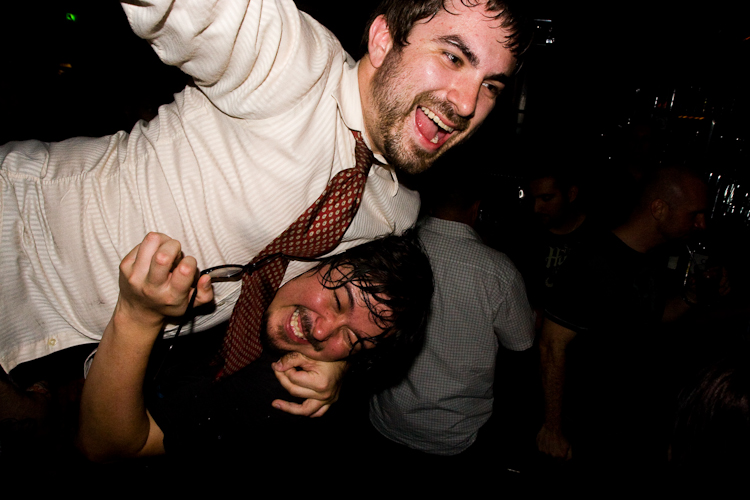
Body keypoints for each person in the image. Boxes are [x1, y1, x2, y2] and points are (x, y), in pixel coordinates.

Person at [0, 0, 528, 419]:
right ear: (383, 38)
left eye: (491, 86)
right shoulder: (288, 59)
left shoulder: (399, 207)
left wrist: (335, 362)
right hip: (16, 238)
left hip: (74, 352)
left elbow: (332, 296)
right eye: (453, 57)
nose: (466, 104)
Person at [76, 230, 433, 462]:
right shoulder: (260, 249)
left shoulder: (283, 391)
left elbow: (107, 445)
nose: (323, 331)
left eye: (351, 339)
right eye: (337, 301)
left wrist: (137, 316)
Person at [536, 165, 709, 476]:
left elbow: (650, 315)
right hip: (591, 429)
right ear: (659, 209)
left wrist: (692, 297)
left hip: (630, 425)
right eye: (694, 214)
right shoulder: (595, 262)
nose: (701, 224)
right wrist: (552, 428)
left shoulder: (649, 257)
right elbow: (551, 344)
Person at [368, 179, 535, 471]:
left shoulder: (399, 247)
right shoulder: (498, 271)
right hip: (454, 432)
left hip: (389, 418)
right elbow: (521, 346)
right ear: (476, 208)